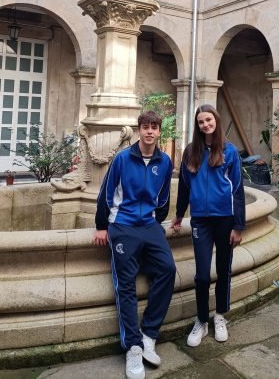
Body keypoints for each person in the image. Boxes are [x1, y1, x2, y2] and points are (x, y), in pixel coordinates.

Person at [93, 110, 176, 379]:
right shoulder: (122, 158)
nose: (150, 131)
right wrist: (101, 225)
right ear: (139, 130)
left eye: (154, 127)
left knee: (168, 269)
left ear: (159, 131)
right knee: (126, 284)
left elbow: (164, 197)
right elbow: (106, 193)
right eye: (145, 127)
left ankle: (149, 334)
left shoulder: (164, 161)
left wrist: (155, 222)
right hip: (123, 225)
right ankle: (133, 347)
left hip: (149, 225)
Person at [171, 104, 245, 347]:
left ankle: (220, 315)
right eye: (201, 121)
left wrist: (238, 226)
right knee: (202, 275)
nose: (205, 124)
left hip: (225, 219)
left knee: (224, 269)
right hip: (200, 221)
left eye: (209, 120)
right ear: (197, 125)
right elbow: (184, 186)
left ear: (216, 120)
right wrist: (179, 214)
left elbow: (237, 190)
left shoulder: (229, 151)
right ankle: (202, 320)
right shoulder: (190, 151)